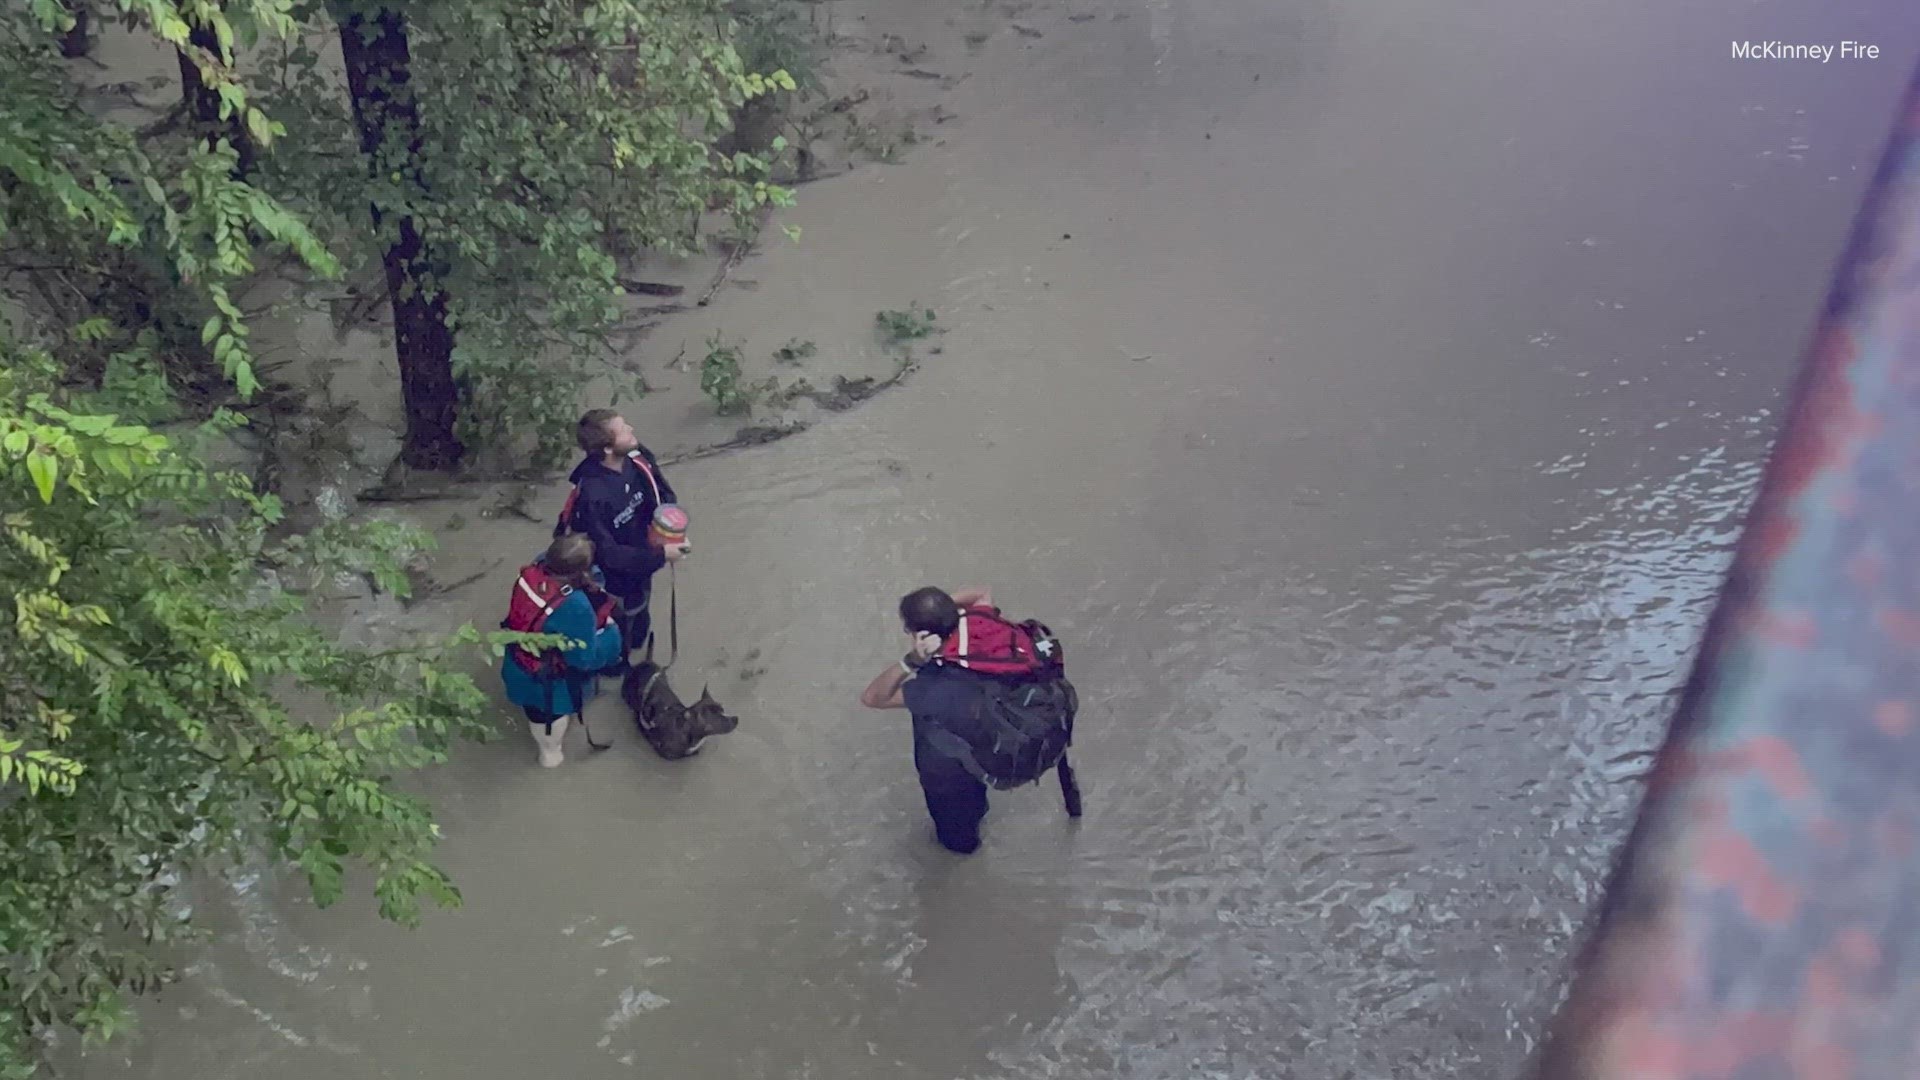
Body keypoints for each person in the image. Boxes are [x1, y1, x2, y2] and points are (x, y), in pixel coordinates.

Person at [860, 585, 999, 854]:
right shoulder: (983, 630)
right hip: (985, 746)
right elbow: (982, 593)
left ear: (919, 635)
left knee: (957, 843)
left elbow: (873, 698)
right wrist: (941, 612)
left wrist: (910, 662)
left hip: (949, 777)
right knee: (977, 801)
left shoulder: (931, 689)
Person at [559, 409, 690, 666]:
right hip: (613, 579)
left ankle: (638, 645)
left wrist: (671, 537)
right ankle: (617, 663)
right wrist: (661, 554)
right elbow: (609, 555)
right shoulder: (592, 496)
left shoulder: (638, 457)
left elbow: (664, 497)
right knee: (619, 623)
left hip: (644, 559)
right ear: (607, 448)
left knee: (641, 615)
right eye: (622, 429)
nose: (631, 429)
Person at [501, 534, 626, 767]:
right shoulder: (575, 605)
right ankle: (549, 756)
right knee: (549, 728)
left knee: (535, 711)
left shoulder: (532, 571)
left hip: (517, 661)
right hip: (547, 683)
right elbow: (584, 658)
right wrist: (610, 635)